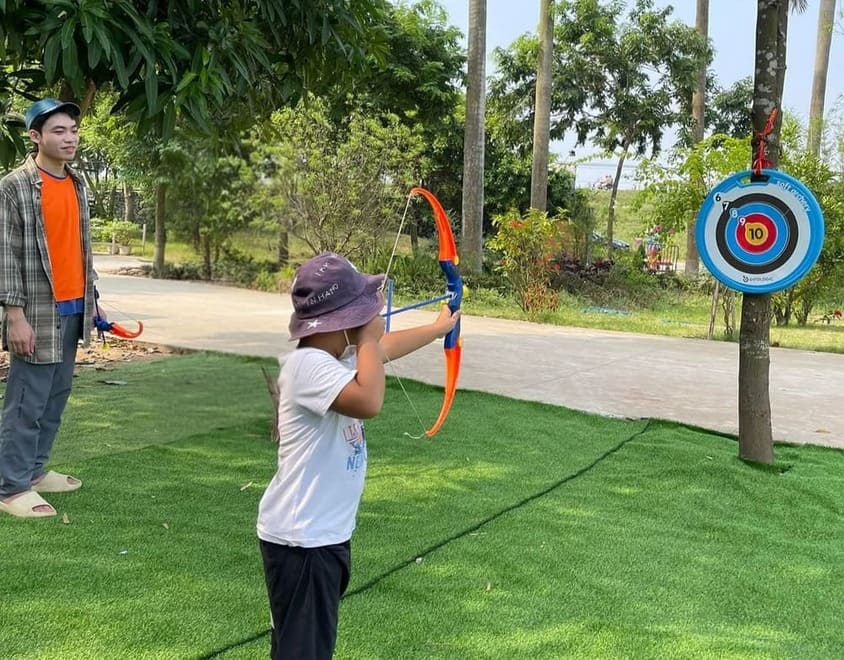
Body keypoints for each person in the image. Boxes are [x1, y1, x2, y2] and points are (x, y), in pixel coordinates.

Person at [257, 251, 460, 659]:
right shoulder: (306, 366)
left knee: (302, 647)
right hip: (304, 543)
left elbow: (384, 347)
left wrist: (439, 328)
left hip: (320, 538)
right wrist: (367, 338)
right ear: (341, 321)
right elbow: (369, 399)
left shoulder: (332, 356)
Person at [0, 98, 96, 518]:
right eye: (59, 131)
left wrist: (92, 300)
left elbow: (79, 248)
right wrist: (13, 314)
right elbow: (4, 255)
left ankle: (35, 472)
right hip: (34, 309)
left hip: (73, 306)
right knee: (26, 400)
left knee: (55, 396)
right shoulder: (14, 186)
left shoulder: (76, 183)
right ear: (35, 136)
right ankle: (10, 486)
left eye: (73, 129)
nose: (70, 137)